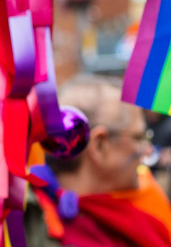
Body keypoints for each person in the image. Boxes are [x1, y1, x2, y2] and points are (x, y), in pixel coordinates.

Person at [24, 75, 171, 247]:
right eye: (138, 138)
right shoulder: (30, 223)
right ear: (99, 146)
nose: (147, 150)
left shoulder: (141, 199)